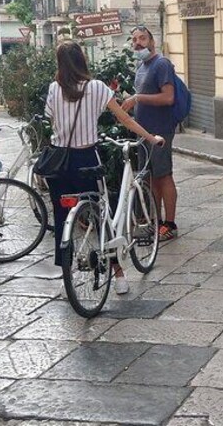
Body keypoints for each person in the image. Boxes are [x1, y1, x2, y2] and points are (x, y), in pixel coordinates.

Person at [45, 40, 165, 294]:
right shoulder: (97, 88)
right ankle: (119, 277)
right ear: (82, 60)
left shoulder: (54, 89)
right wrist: (151, 137)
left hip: (58, 162)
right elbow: (124, 119)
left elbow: (52, 120)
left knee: (61, 216)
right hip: (85, 159)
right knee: (103, 218)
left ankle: (65, 270)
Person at [121, 26, 178, 242]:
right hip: (143, 131)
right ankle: (155, 222)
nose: (138, 43)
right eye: (134, 39)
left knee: (164, 176)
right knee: (151, 177)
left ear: (152, 41)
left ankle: (170, 224)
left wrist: (137, 99)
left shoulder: (161, 64)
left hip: (160, 129)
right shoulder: (141, 65)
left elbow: (168, 98)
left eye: (142, 38)